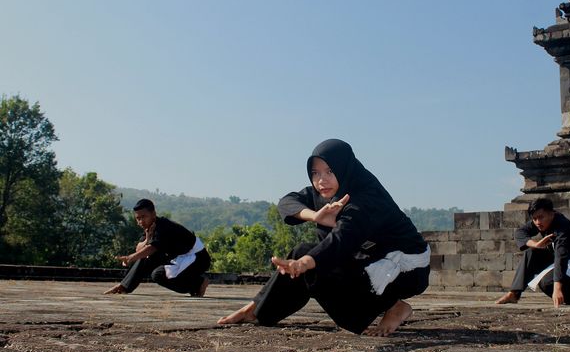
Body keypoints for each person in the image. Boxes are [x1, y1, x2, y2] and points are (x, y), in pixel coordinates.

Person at [218, 138, 430, 336]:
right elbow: (287, 202)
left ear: (344, 167)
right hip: (368, 261)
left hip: (405, 271)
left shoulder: (366, 198)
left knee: (310, 263)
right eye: (315, 173)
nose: (321, 180)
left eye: (329, 171)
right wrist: (315, 216)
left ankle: (392, 304)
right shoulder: (326, 192)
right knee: (305, 257)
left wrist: (306, 262)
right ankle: (256, 309)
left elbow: (342, 240)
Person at [495, 198, 570, 307]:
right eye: (534, 219)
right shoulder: (541, 221)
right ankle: (514, 294)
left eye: (540, 217)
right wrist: (535, 244)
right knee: (531, 253)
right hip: (561, 256)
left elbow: (561, 258)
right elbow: (520, 232)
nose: (537, 222)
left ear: (551, 214)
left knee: (547, 283)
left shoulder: (563, 228)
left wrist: (557, 289)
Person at [104, 199, 211, 297]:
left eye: (143, 217)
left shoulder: (163, 227)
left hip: (198, 259)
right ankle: (124, 286)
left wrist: (130, 258)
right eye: (138, 218)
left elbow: (151, 248)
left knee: (158, 275)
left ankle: (198, 283)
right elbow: (139, 249)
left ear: (153, 214)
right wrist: (147, 238)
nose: (141, 221)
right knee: (145, 257)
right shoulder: (149, 228)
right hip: (178, 258)